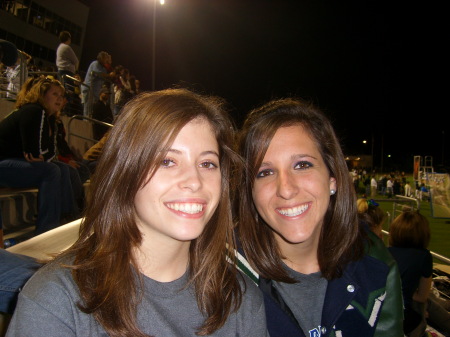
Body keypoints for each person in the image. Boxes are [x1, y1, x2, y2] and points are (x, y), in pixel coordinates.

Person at [6, 89, 268, 337]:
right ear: (125, 173)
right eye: (167, 161)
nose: (195, 181)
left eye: (207, 163)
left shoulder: (241, 299)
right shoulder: (55, 301)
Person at [235, 98, 403, 337]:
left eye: (302, 165)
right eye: (265, 172)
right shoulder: (222, 274)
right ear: (250, 191)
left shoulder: (374, 262)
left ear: (332, 178)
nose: (286, 189)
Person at [0, 77, 80, 234]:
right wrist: (41, 154)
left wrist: (42, 153)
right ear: (42, 95)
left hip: (12, 162)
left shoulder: (47, 117)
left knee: (63, 168)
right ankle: (47, 228)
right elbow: (36, 153)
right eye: (54, 94)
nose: (59, 99)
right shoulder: (34, 111)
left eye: (61, 95)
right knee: (51, 170)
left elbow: (45, 154)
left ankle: (67, 216)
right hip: (3, 164)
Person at [388, 211, 433, 337]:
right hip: (402, 317)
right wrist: (403, 290)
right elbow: (422, 296)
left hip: (380, 313)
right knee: (427, 306)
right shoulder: (424, 257)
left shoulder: (384, 252)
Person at [82, 51, 111, 116]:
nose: (106, 60)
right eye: (106, 58)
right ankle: (86, 120)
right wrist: (109, 75)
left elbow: (106, 76)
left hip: (96, 92)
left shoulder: (103, 68)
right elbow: (99, 74)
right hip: (90, 88)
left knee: (93, 108)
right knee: (88, 107)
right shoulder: (95, 64)